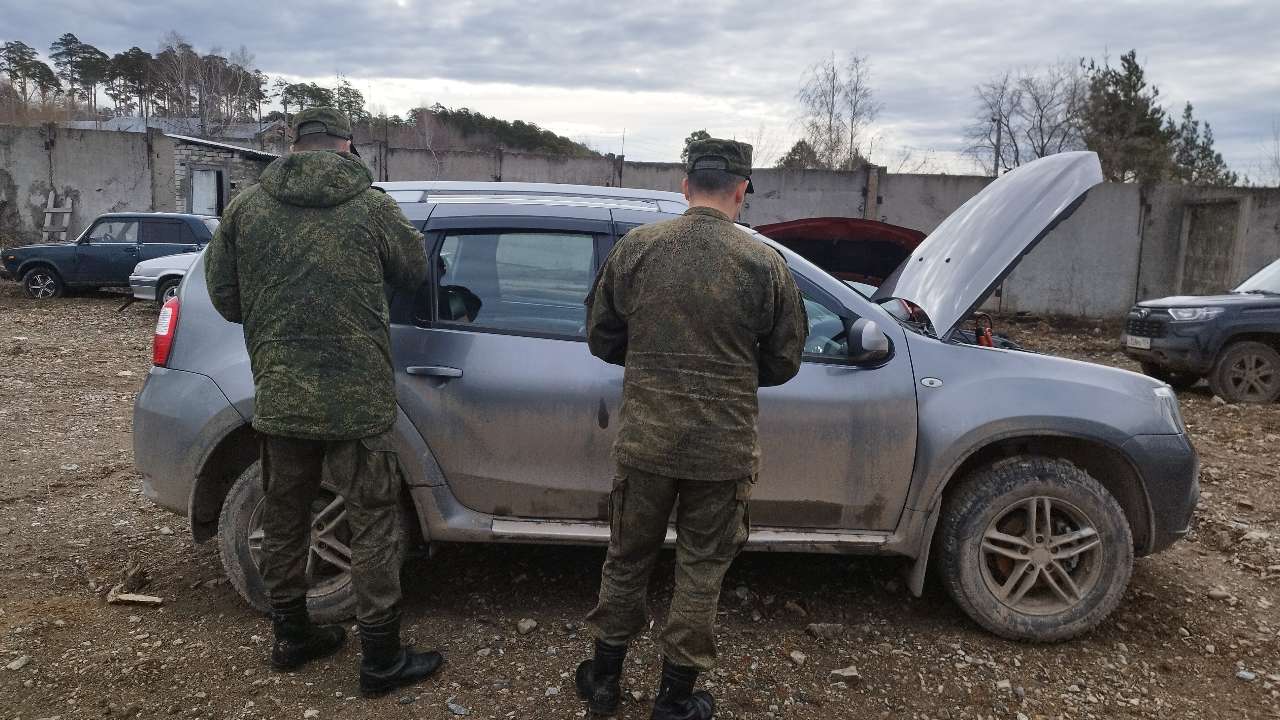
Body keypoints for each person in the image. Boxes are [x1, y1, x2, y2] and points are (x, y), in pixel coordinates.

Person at [203, 107, 442, 697]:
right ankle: (380, 657)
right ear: (346, 146)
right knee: (374, 522)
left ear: (294, 144)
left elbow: (224, 296)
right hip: (357, 401)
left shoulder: (247, 208)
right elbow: (414, 271)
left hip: (282, 396)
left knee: (285, 518)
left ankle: (291, 636)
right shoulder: (372, 206)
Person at [576, 138, 808, 719]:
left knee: (627, 559)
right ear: (741, 191)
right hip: (721, 451)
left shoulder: (638, 249)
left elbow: (602, 336)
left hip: (646, 443)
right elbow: (784, 360)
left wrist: (652, 359)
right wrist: (731, 368)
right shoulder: (764, 264)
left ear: (685, 187)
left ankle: (603, 683)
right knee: (701, 570)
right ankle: (675, 699)